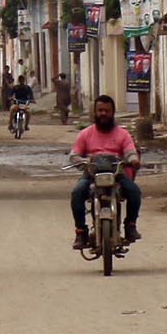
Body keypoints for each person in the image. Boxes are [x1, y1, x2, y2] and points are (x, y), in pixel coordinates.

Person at [69, 95, 142, 248]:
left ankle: (130, 225)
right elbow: (74, 155)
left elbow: (130, 151)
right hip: (91, 175)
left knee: (134, 191)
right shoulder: (85, 134)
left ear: (113, 112)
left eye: (106, 111)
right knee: (77, 193)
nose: (103, 114)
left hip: (116, 174)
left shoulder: (122, 134)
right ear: (94, 112)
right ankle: (80, 232)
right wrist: (81, 161)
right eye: (100, 110)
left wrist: (133, 160)